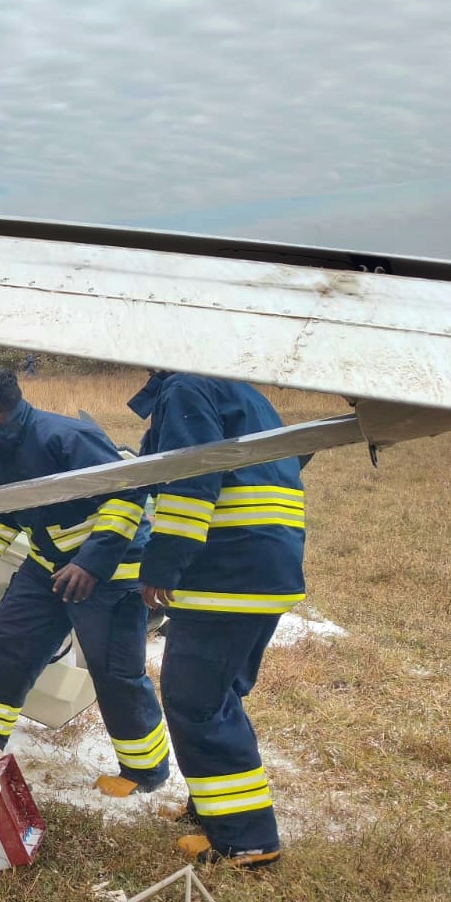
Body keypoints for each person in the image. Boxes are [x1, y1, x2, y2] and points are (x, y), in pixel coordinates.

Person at [0, 366, 170, 796]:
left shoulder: (66, 438)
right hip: (47, 567)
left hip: (109, 570)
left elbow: (126, 496)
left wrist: (90, 564)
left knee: (116, 674)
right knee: (7, 648)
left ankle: (144, 771)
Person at [131, 371, 306, 869]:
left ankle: (245, 839)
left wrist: (162, 565)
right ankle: (215, 809)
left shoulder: (185, 388)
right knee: (217, 697)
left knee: (197, 701)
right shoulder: (241, 390)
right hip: (264, 568)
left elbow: (193, 477)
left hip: (225, 573)